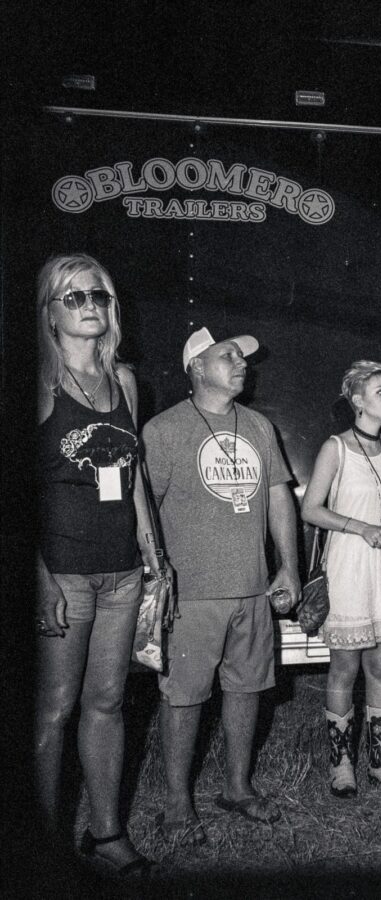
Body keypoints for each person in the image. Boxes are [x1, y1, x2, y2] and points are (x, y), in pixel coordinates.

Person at [142, 326, 301, 844]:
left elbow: (280, 498)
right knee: (184, 696)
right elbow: (143, 509)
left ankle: (237, 787)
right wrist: (156, 574)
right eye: (227, 356)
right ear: (195, 367)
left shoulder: (257, 426)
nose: (241, 364)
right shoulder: (163, 430)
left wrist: (288, 567)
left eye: (242, 358)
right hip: (192, 591)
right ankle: (176, 803)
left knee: (246, 687)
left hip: (252, 587)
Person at [35, 253, 159, 875]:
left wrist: (149, 542)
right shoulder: (42, 381)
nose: (90, 305)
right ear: (50, 312)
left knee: (106, 703)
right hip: (63, 571)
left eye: (99, 297)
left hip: (121, 572)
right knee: (53, 708)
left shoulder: (124, 381)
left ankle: (107, 835)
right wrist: (36, 576)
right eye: (74, 296)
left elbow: (128, 469)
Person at [301, 360, 381, 799]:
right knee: (345, 667)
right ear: (357, 401)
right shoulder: (336, 447)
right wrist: (361, 527)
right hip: (350, 562)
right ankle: (342, 767)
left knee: (380, 666)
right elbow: (310, 509)